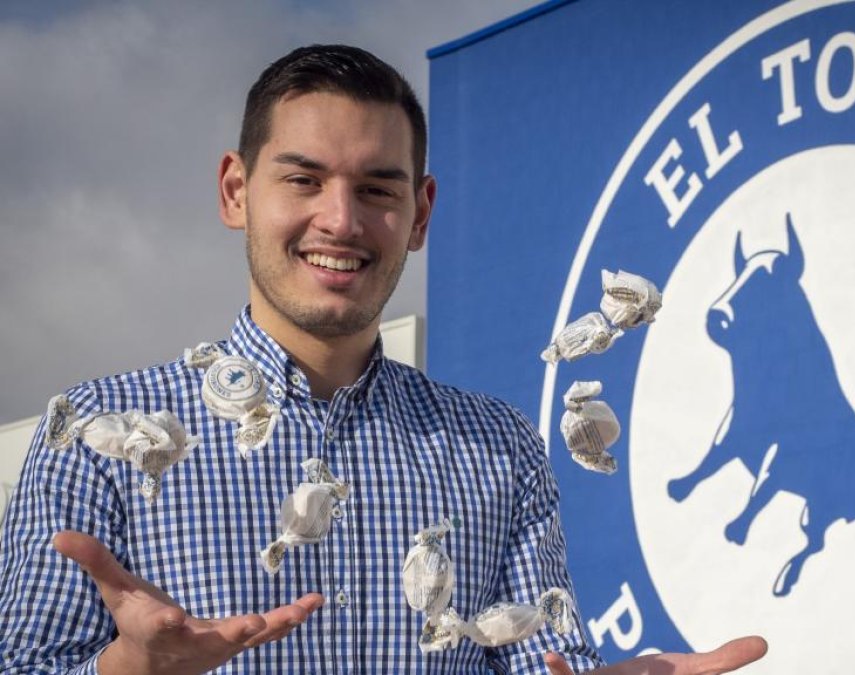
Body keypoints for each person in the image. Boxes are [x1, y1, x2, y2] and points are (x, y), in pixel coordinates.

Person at [0, 45, 766, 674]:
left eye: (377, 189)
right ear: (236, 190)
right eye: (303, 179)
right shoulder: (96, 439)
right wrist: (127, 668)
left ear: (421, 213)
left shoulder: (501, 449)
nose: (341, 219)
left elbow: (541, 657)